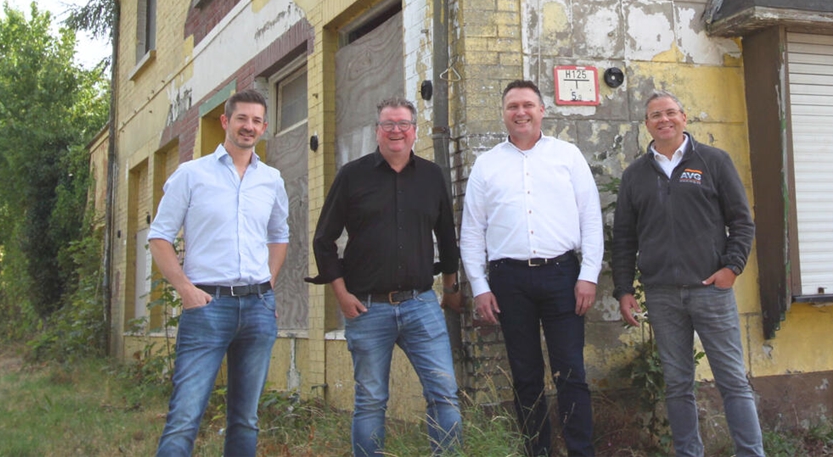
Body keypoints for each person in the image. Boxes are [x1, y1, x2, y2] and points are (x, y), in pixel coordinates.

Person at [612, 90, 765, 457]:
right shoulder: (635, 175)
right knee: (678, 384)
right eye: (655, 116)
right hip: (662, 294)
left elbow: (742, 222)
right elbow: (624, 238)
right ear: (646, 125)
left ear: (684, 117)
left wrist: (732, 268)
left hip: (710, 289)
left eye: (670, 113)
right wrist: (624, 289)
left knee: (732, 382)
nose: (663, 120)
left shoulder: (713, 161)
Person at [311, 97, 462, 457]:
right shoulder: (352, 175)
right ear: (377, 130)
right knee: (370, 400)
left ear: (414, 130)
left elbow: (447, 234)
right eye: (388, 124)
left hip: (421, 304)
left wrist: (450, 287)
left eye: (403, 124)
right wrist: (341, 295)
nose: (396, 131)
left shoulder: (431, 175)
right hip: (366, 308)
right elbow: (323, 240)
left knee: (444, 393)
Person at [460, 80, 602, 457]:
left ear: (542, 110)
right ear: (504, 114)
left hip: (563, 276)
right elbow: (472, 229)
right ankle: (536, 451)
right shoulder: (486, 164)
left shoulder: (567, 156)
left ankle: (580, 451)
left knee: (571, 371)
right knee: (525, 376)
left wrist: (588, 274)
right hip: (509, 281)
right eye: (512, 107)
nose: (520, 112)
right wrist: (479, 285)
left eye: (527, 105)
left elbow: (591, 219)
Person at [148, 88, 290, 457]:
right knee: (185, 417)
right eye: (242, 118)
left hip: (258, 309)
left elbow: (279, 236)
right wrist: (186, 290)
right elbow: (159, 237)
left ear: (265, 127)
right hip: (207, 306)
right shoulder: (191, 175)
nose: (249, 126)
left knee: (245, 418)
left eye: (257, 121)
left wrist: (268, 285)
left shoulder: (272, 179)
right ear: (226, 121)